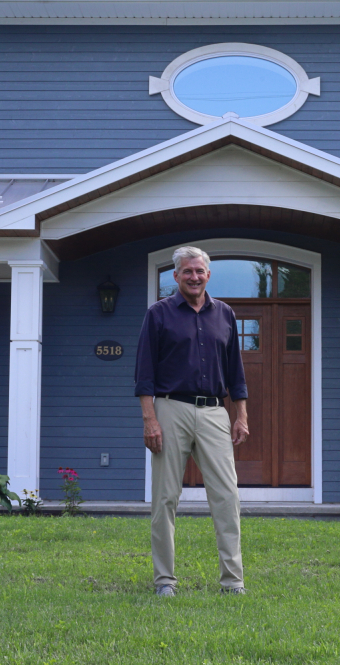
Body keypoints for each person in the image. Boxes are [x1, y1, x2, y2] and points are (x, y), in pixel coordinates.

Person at [134, 245, 249, 596]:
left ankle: (233, 581)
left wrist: (241, 416)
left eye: (199, 271)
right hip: (171, 409)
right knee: (165, 497)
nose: (194, 277)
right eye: (188, 272)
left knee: (227, 497)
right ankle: (164, 580)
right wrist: (150, 419)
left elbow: (236, 373)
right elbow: (144, 373)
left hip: (215, 411)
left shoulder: (225, 314)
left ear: (208, 275)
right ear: (176, 275)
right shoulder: (159, 314)